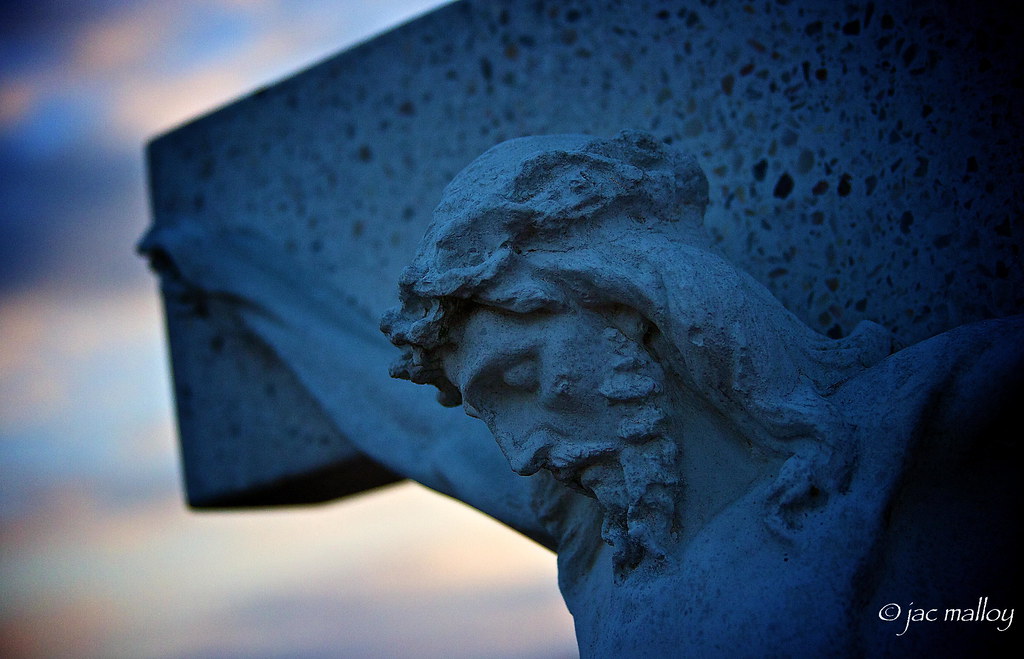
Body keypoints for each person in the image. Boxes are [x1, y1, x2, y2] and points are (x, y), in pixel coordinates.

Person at [382, 131, 1021, 656]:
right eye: (488, 413)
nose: (521, 455)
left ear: (631, 301)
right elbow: (425, 439)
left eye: (521, 378)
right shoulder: (598, 562)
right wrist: (276, 300)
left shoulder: (922, 426)